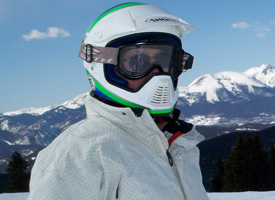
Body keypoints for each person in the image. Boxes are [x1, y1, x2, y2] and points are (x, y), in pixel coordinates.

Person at [28, 3, 209, 199]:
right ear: (102, 64)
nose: (158, 74)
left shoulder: (179, 143)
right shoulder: (80, 151)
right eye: (136, 62)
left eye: (165, 61)